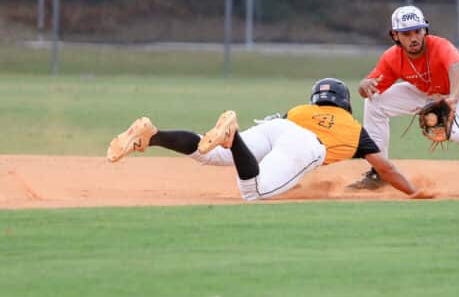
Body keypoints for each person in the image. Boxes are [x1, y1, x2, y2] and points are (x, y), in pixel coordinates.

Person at [106, 78, 429, 201]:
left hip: (279, 128)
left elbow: (278, 146)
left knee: (211, 154)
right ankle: (231, 136)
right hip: (307, 146)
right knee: (253, 192)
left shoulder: (300, 110)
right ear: (345, 102)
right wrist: (413, 192)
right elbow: (385, 170)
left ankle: (154, 136)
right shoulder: (355, 130)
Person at [348, 5, 459, 196]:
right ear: (395, 35)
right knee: (375, 102)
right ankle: (380, 172)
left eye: (417, 31)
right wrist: (363, 86)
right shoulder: (392, 58)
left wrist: (452, 98)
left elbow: (457, 70)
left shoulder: (440, 45)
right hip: (431, 91)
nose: (414, 37)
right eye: (406, 33)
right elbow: (368, 89)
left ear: (425, 30)